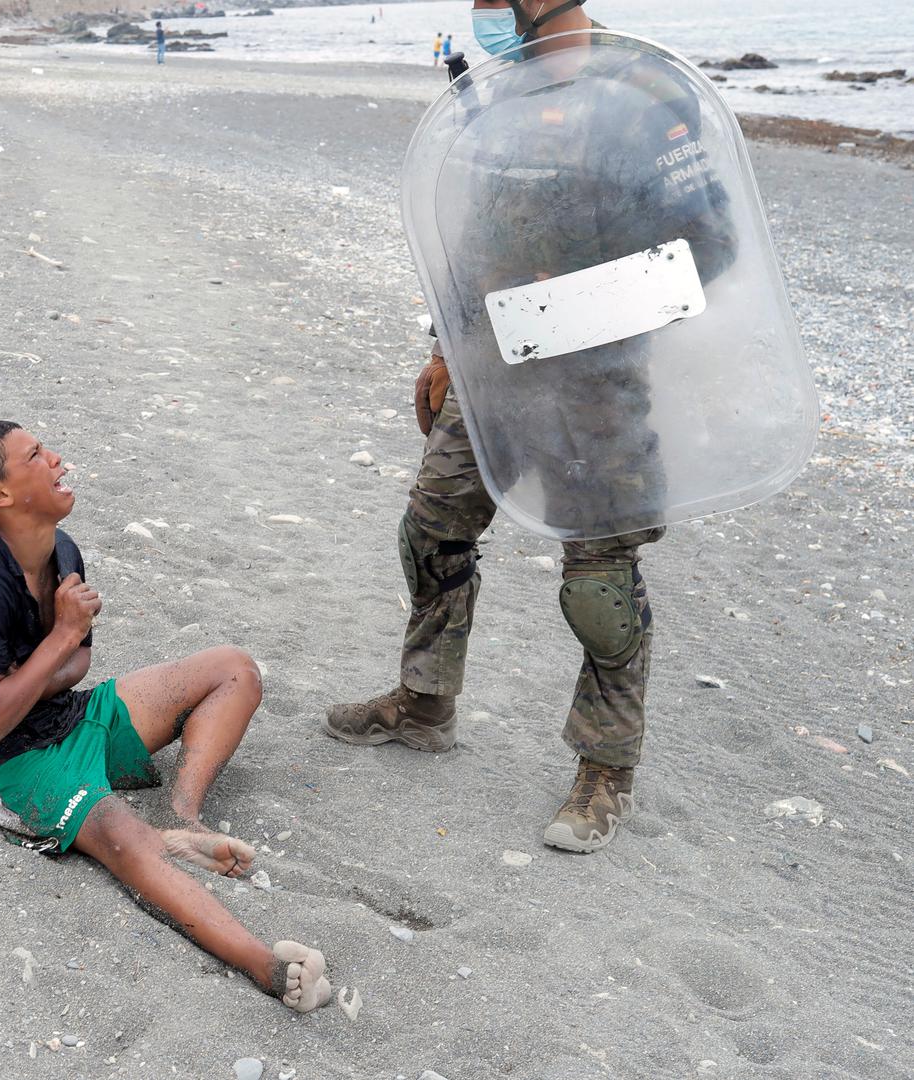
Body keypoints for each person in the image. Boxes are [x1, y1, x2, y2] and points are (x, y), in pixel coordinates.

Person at [326, 0, 737, 854]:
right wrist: (443, 350)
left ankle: (605, 772)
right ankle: (425, 702)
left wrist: (571, 296)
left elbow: (712, 249)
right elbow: (474, 239)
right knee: (431, 528)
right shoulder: (496, 93)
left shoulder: (642, 96)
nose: (478, 9)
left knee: (600, 582)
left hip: (596, 384)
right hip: (488, 372)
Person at [0, 419, 333, 1012]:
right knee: (119, 834)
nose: (58, 459)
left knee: (233, 668)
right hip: (3, 762)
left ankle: (183, 816)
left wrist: (56, 653)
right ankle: (263, 964)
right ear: (0, 494)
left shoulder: (62, 550)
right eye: (36, 455)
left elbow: (77, 666)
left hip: (70, 717)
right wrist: (62, 635)